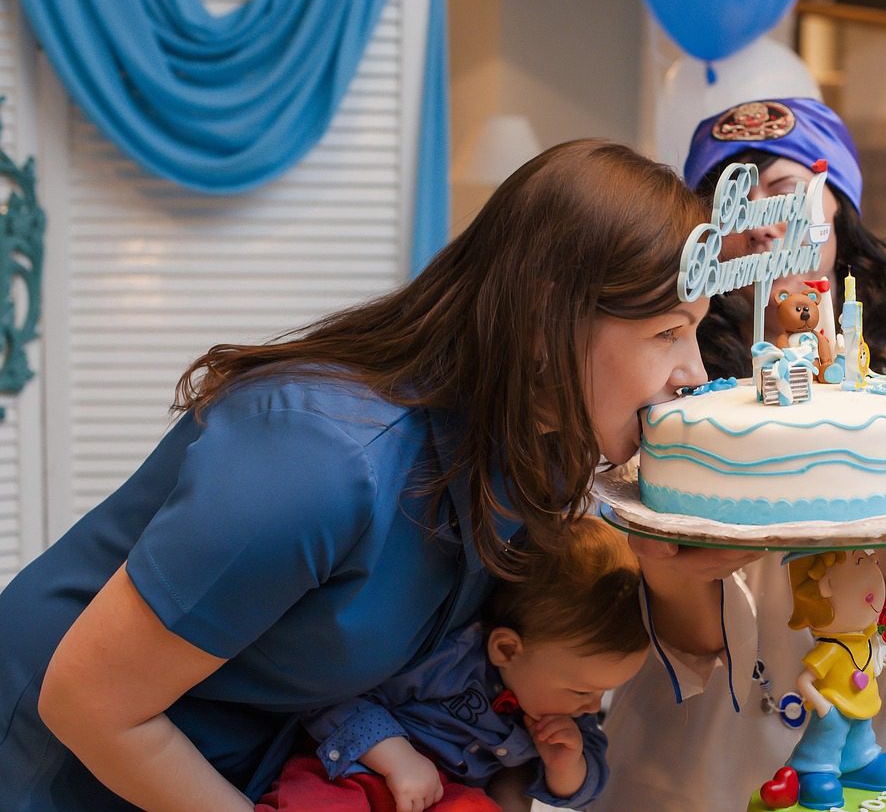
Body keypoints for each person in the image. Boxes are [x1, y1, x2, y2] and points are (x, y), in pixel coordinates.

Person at [0, 139, 723, 811]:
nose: (693, 372)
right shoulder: (320, 460)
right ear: (544, 319)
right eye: (667, 332)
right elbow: (89, 702)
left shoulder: (539, 449)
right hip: (69, 755)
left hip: (257, 757)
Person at [600, 98, 886, 812]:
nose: (763, 220)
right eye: (731, 198)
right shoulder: (671, 404)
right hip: (693, 771)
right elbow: (669, 643)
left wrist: (883, 476)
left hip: (880, 778)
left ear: (841, 205)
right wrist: (674, 575)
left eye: (784, 188)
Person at [256, 517, 648, 812]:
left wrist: (566, 765)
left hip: (451, 796)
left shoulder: (568, 719)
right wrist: (398, 759)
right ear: (507, 650)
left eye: (602, 692)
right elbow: (332, 697)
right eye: (583, 690)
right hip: (363, 768)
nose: (592, 707)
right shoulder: (448, 658)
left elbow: (589, 783)